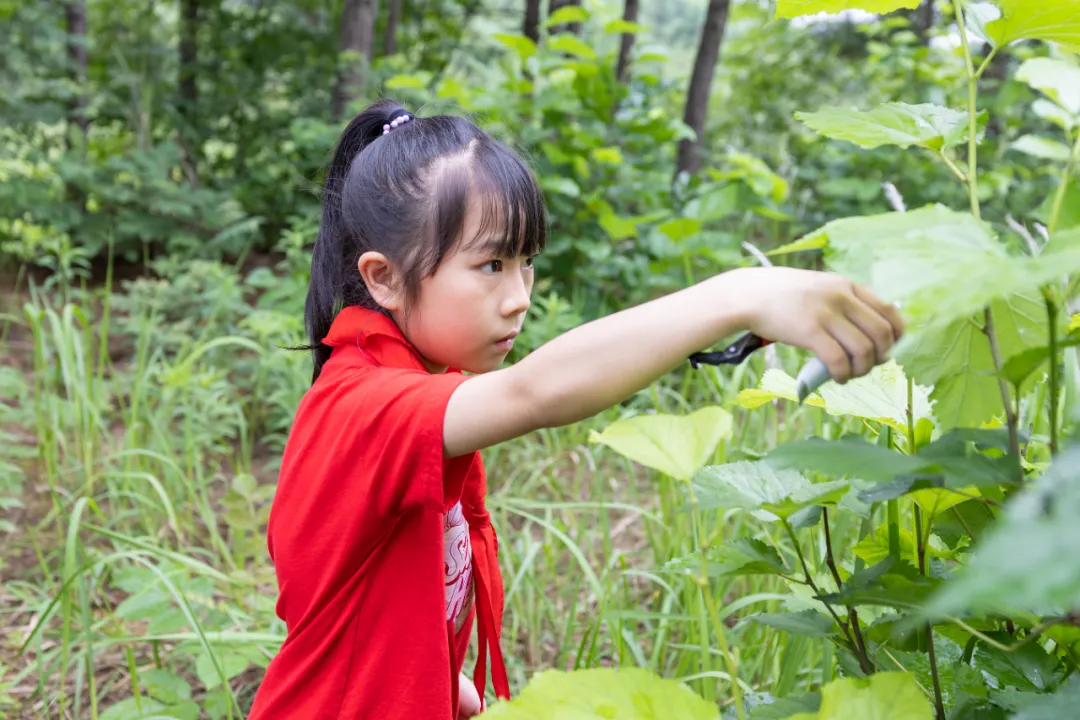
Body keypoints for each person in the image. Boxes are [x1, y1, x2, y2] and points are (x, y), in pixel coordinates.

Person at [247, 99, 904, 720]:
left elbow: (345, 581)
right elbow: (534, 392)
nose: (519, 297)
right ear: (384, 276)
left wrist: (433, 672)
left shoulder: (405, 380)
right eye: (492, 264)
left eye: (526, 263)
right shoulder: (363, 405)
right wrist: (738, 295)